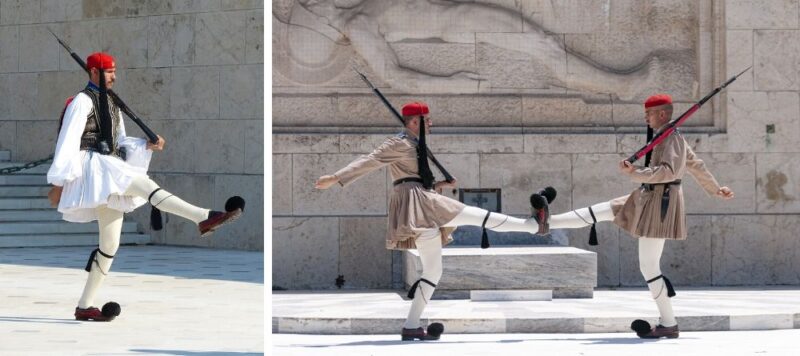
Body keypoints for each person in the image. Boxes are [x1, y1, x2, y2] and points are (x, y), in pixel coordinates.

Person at [315, 101, 554, 341]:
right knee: (473, 214)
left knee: (433, 271)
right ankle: (533, 225)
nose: (431, 123)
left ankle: (411, 326)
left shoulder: (413, 143)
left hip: (420, 200)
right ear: (415, 122)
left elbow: (414, 177)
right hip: (418, 203)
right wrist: (336, 177)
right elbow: (370, 160)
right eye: (426, 119)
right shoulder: (398, 142)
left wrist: (440, 185)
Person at [47, 52, 245, 322]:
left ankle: (85, 306)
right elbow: (68, 141)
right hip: (93, 168)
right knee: (143, 184)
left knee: (110, 245)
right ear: (93, 73)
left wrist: (146, 144)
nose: (114, 76)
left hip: (110, 167)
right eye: (108, 72)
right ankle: (202, 217)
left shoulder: (113, 103)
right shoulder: (81, 102)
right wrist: (58, 182)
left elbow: (120, 141)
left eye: (115, 71)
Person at [531, 93, 734, 339]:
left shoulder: (673, 139)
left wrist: (634, 171)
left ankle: (669, 323)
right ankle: (548, 220)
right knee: (602, 210)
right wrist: (715, 188)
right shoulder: (666, 136)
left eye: (648, 113)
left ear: (661, 113)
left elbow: (667, 173)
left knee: (649, 266)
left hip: (660, 204)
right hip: (646, 197)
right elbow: (696, 165)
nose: (645, 117)